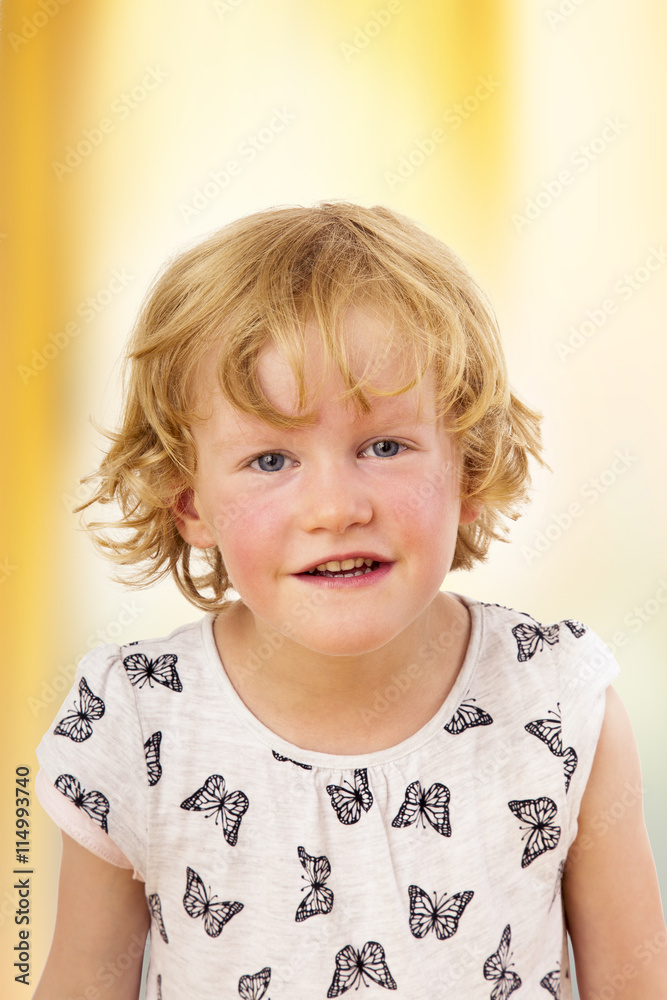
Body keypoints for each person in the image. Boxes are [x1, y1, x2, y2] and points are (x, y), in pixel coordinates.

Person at [33, 202, 665, 1000]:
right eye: (270, 459)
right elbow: (84, 984)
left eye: (384, 446)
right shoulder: (134, 720)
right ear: (189, 501)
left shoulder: (559, 705)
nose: (335, 508)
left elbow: (635, 984)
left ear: (467, 468)